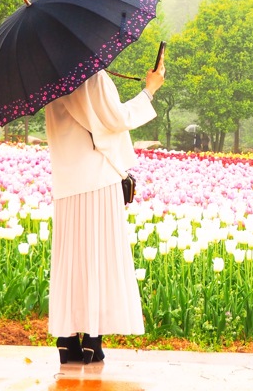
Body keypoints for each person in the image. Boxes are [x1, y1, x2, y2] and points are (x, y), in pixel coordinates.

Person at [43, 62, 165, 365]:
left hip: (67, 180)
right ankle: (92, 339)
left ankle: (66, 338)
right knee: (98, 256)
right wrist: (149, 90)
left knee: (70, 259)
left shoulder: (49, 74)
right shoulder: (89, 73)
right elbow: (116, 119)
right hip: (97, 177)